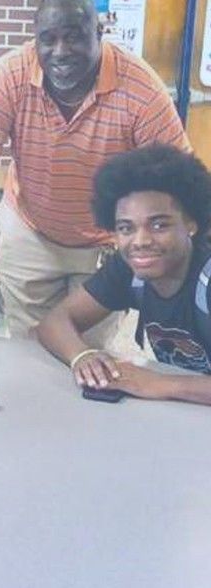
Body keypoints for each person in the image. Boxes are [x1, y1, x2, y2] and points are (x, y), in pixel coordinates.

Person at [0, 0, 191, 343]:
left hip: (103, 243)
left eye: (74, 37)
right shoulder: (9, 76)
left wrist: (159, 248)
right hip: (30, 229)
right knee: (27, 349)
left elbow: (180, 180)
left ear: (99, 33)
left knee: (89, 356)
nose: (60, 52)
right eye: (47, 39)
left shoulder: (141, 89)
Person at [38, 145, 211, 405]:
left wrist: (159, 383)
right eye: (126, 228)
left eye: (158, 224)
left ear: (192, 224)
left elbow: (157, 384)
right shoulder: (128, 268)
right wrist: (82, 356)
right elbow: (56, 320)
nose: (140, 241)